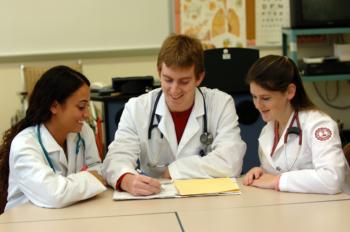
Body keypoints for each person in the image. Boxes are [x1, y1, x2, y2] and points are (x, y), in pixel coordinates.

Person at [102, 34, 246, 196]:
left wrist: (175, 169)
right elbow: (116, 157)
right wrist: (126, 179)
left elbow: (231, 161)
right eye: (168, 80)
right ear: (159, 72)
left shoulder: (220, 104)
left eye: (184, 82)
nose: (175, 90)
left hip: (206, 202)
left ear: (199, 77)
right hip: (153, 202)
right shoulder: (137, 108)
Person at [0, 66, 107, 212]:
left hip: (69, 214)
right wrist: (88, 180)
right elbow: (53, 194)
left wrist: (70, 185)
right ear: (54, 106)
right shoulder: (25, 144)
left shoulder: (83, 132)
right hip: (27, 222)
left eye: (87, 106)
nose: (87, 114)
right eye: (81, 107)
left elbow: (98, 170)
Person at [243, 55, 350, 194]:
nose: (257, 105)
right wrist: (261, 172)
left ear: (290, 91)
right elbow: (280, 169)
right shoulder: (268, 129)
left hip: (327, 209)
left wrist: (277, 180)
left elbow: (331, 179)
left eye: (265, 98)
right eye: (254, 97)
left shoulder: (318, 125)